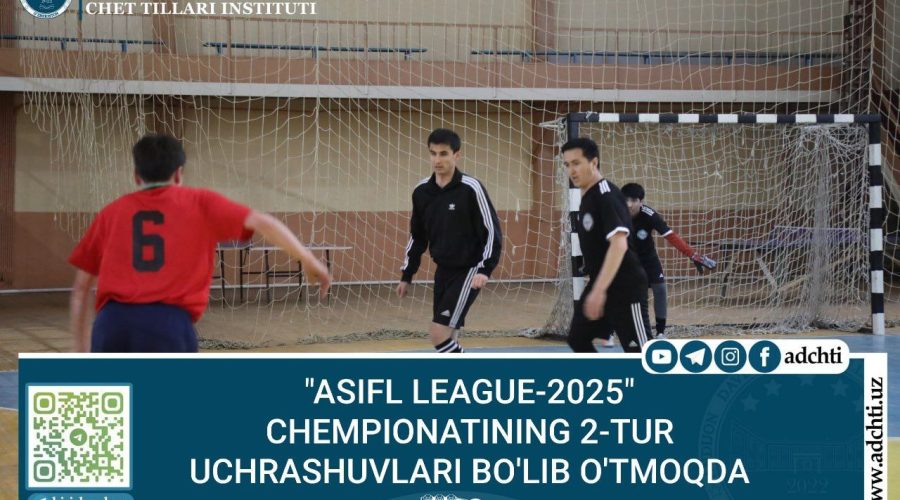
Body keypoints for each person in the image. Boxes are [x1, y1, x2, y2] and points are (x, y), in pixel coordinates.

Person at [68, 133, 332, 352]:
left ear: (137, 176)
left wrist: (80, 349)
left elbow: (80, 289)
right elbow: (264, 222)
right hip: (168, 326)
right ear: (179, 174)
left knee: (118, 401)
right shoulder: (200, 202)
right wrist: (309, 260)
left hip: (112, 325)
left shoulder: (110, 213)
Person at [396, 128, 502, 353]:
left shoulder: (471, 188)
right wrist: (407, 275)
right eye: (433, 153)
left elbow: (492, 231)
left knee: (438, 335)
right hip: (443, 270)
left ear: (456, 155)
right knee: (449, 335)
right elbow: (417, 236)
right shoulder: (421, 192)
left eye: (443, 153)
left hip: (470, 270)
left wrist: (485, 269)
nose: (437, 159)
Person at [562, 137, 652, 353]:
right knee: (578, 339)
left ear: (593, 163)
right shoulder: (588, 197)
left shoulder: (607, 195)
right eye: (567, 164)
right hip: (601, 284)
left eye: (576, 163)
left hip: (626, 287)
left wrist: (598, 291)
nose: (571, 170)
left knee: (641, 353)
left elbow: (619, 245)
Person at [616, 182, 715, 339]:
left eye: (633, 200)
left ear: (641, 202)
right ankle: (615, 329)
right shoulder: (616, 214)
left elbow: (671, 236)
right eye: (625, 200)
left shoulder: (650, 215)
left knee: (660, 289)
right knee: (622, 293)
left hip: (648, 258)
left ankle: (660, 332)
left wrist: (693, 254)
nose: (629, 204)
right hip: (627, 259)